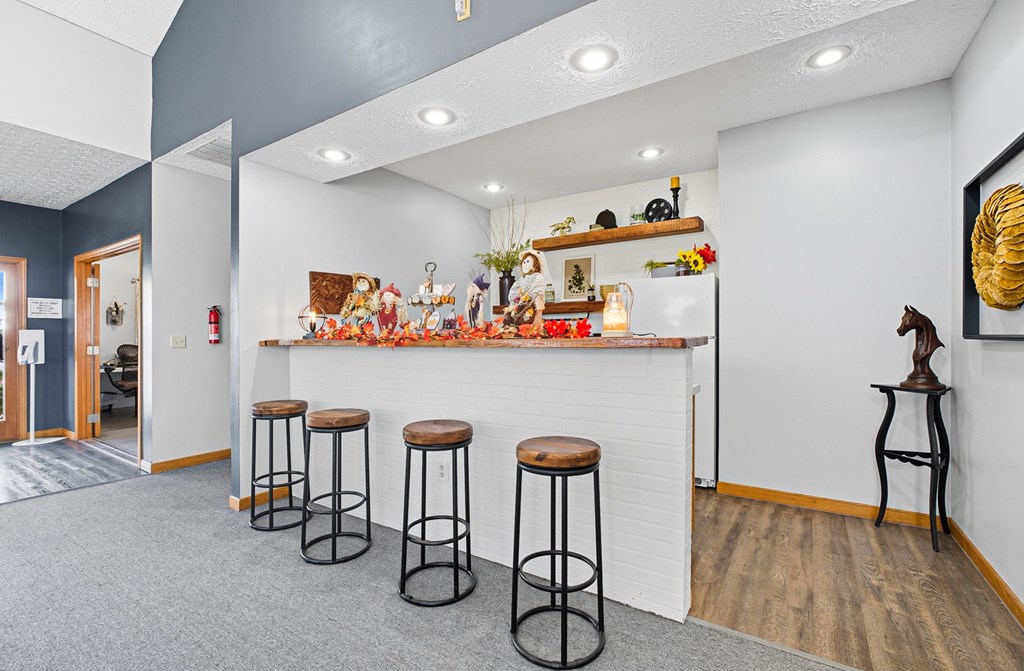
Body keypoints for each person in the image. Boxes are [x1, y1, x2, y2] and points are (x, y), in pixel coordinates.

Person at [504, 250, 546, 327]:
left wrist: (530, 297)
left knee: (529, 316)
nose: (525, 264)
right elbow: (514, 290)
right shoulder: (521, 280)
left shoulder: (538, 276)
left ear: (535, 265)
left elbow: (538, 288)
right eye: (524, 262)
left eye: (528, 262)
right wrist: (516, 298)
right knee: (511, 314)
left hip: (531, 302)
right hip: (520, 303)